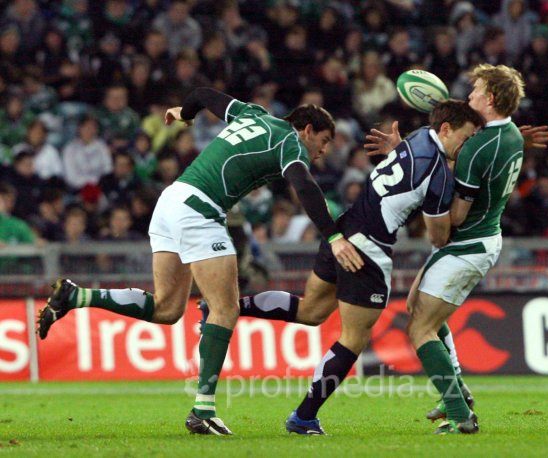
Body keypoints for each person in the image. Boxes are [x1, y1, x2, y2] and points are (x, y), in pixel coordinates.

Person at [37, 86, 364, 436]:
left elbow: (204, 94)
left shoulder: (253, 113)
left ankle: (76, 296)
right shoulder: (291, 142)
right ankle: (202, 410)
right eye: (323, 141)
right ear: (307, 129)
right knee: (224, 309)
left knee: (167, 308)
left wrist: (186, 112)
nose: (323, 151)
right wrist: (334, 237)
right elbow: (305, 187)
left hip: (171, 200)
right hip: (200, 209)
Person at [201, 100, 485, 434]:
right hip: (368, 249)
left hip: (343, 230)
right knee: (353, 339)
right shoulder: (438, 175)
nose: (467, 146)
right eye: (466, 138)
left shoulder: (419, 137)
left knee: (311, 310)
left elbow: (412, 166)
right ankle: (304, 417)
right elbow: (438, 236)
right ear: (446, 129)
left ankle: (227, 307)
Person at [370, 64, 533, 434]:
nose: (470, 95)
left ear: (491, 98)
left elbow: (455, 216)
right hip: (479, 239)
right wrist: (410, 156)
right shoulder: (510, 134)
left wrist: (423, 186)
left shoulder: (477, 147)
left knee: (420, 329)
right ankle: (457, 394)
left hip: (467, 244)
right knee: (419, 312)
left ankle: (461, 415)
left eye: (477, 91)